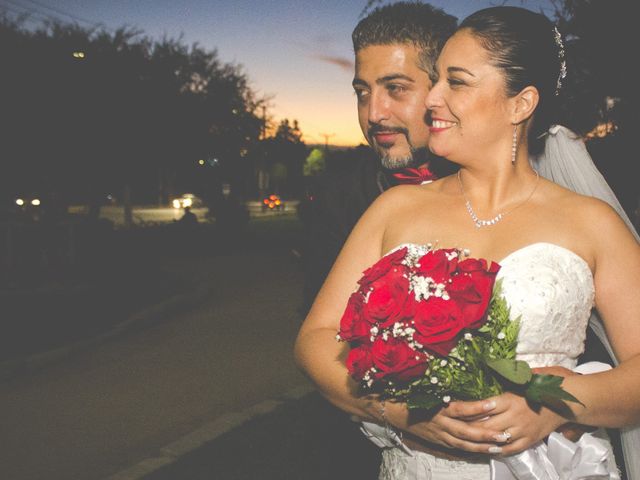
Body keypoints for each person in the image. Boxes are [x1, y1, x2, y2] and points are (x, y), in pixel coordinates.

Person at [295, 6, 640, 480]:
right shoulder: (395, 208)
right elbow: (315, 339)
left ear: (520, 104)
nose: (432, 99)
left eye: (455, 82)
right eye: (434, 81)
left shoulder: (591, 223)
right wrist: (398, 410)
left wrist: (562, 402)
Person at [302, 1, 457, 312]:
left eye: (396, 88)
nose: (373, 113)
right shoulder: (336, 197)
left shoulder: (493, 183)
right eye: (363, 92)